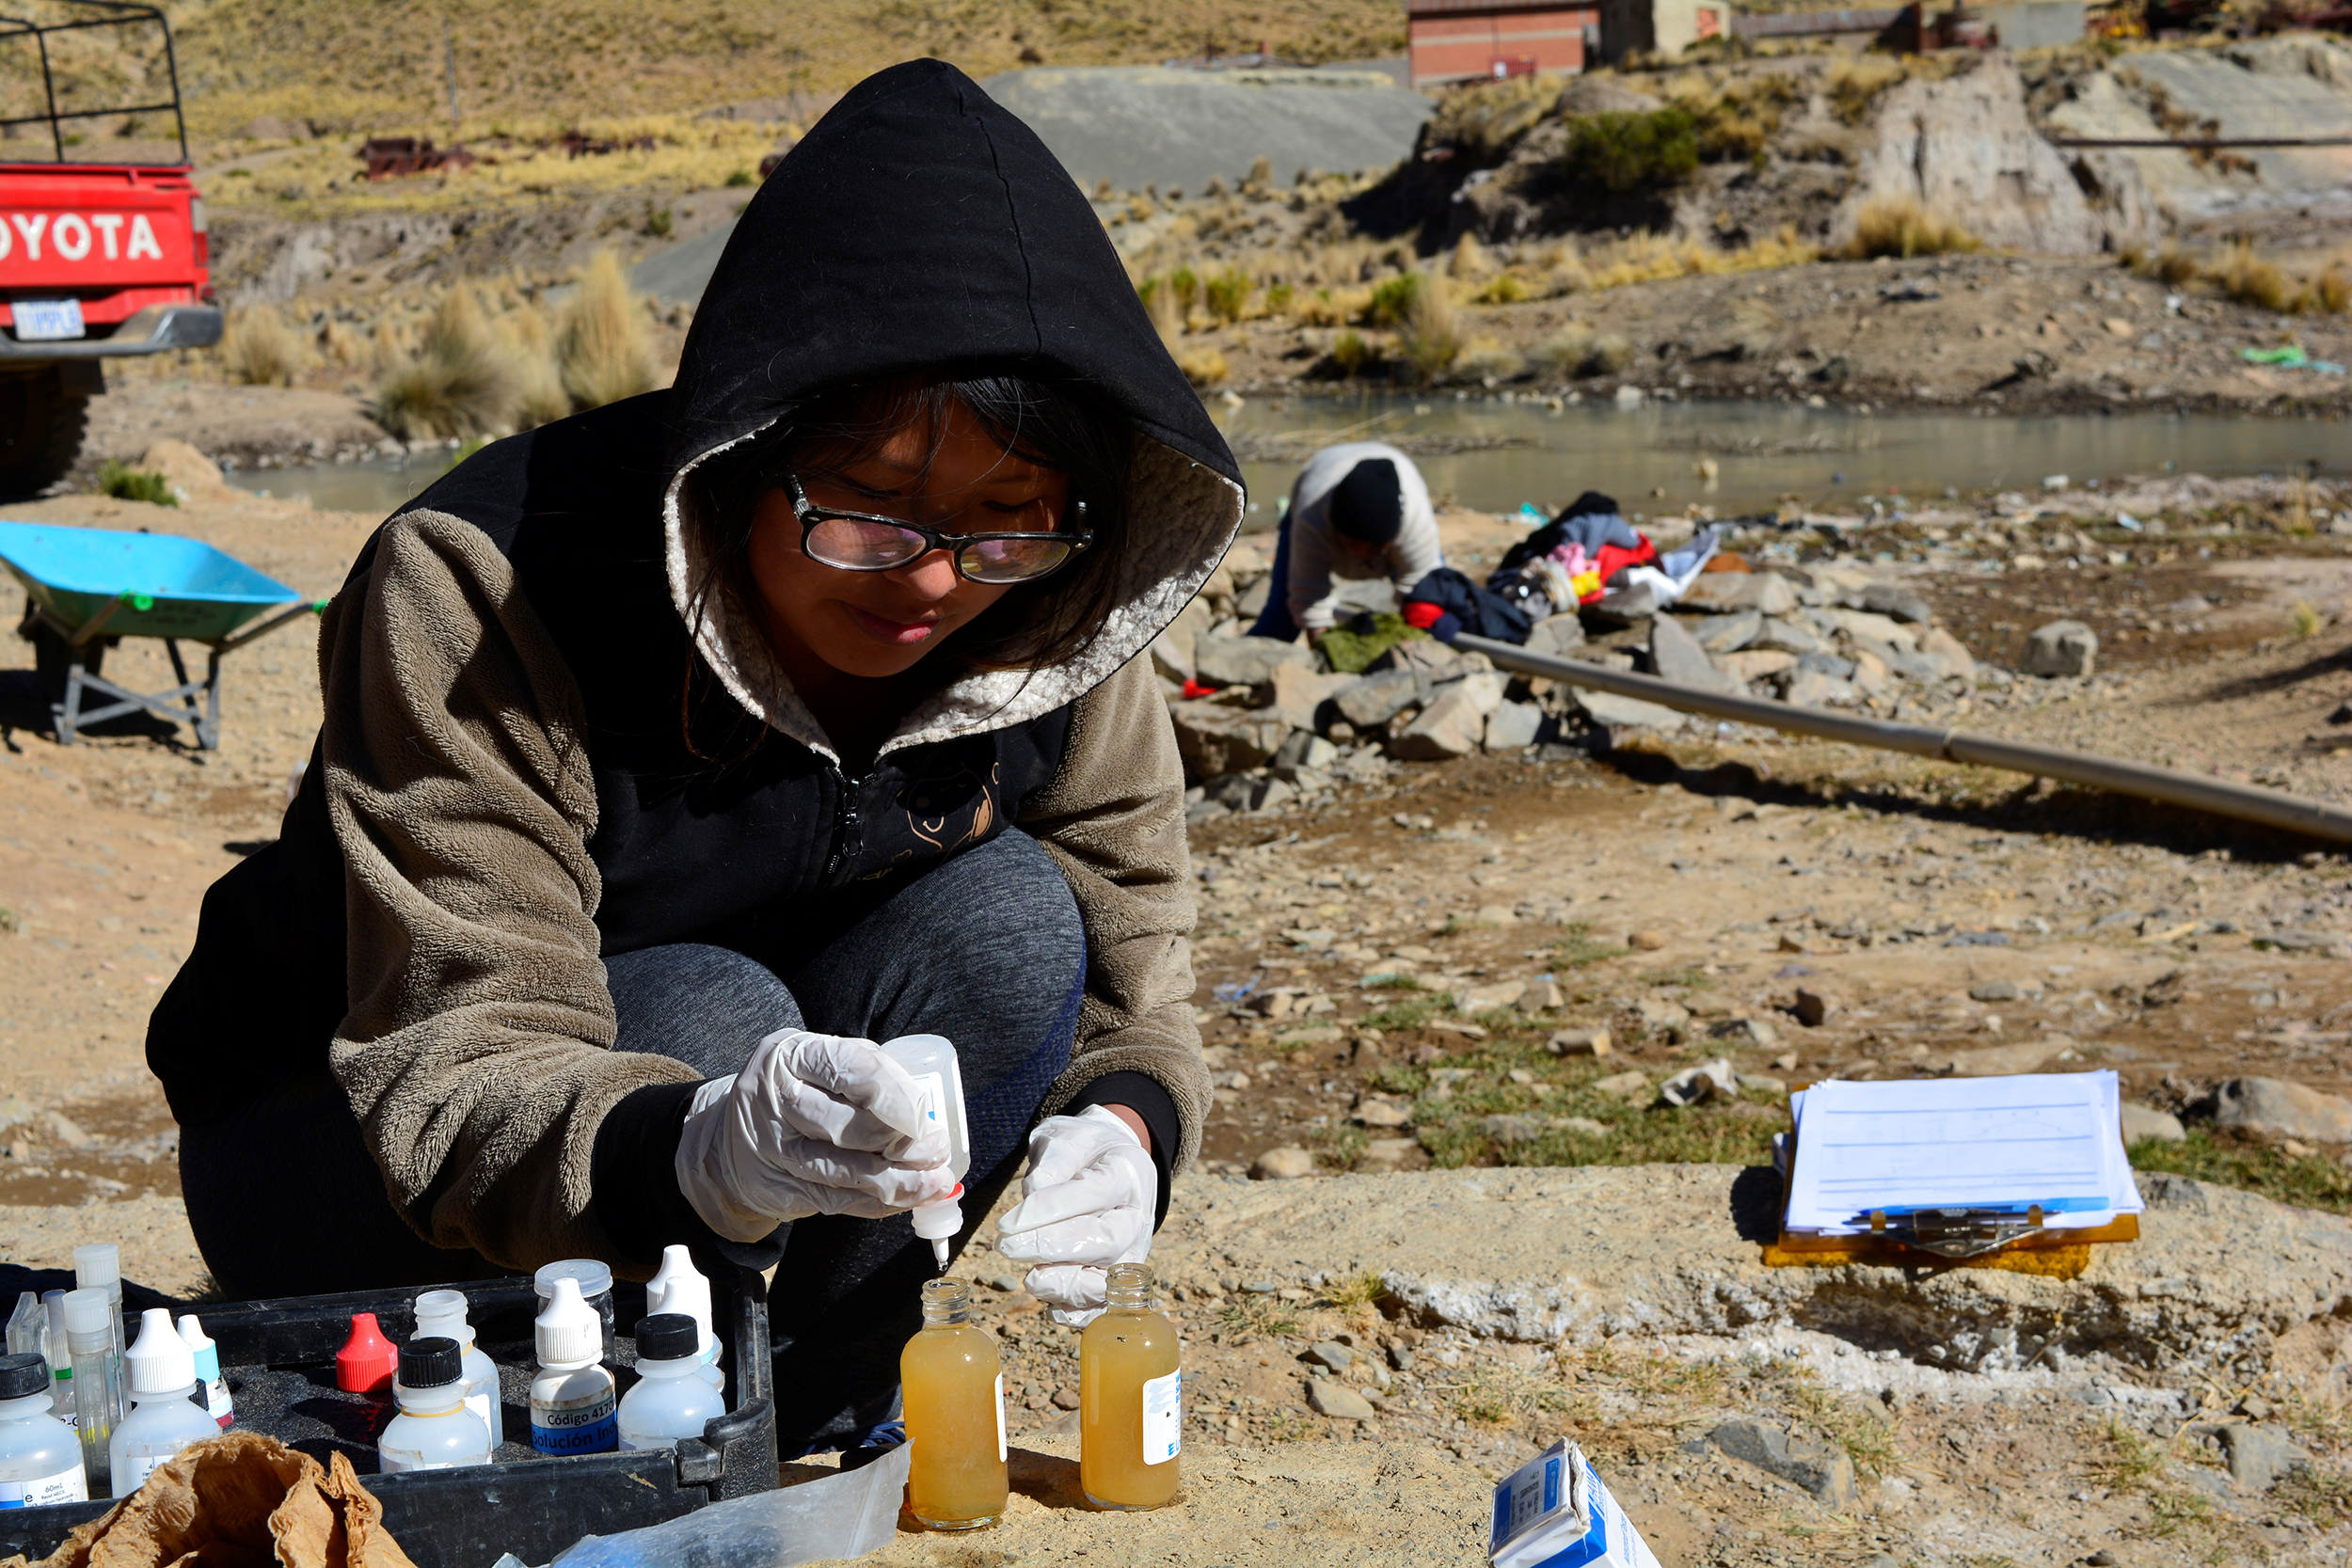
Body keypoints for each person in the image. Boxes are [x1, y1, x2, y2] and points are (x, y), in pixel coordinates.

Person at [144, 59, 1242, 1459]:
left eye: (1007, 515)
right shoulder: (487, 585)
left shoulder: (1048, 602)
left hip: (717, 1086)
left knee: (1012, 919)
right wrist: (698, 1146)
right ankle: (642, 1416)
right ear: (743, 453)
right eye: (867, 508)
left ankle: (809, 1390)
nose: (932, 580)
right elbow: (460, 1053)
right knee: (720, 1008)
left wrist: (1134, 1119)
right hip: (351, 1139)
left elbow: (1129, 954)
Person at [1248, 440, 1442, 643]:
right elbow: (1308, 595)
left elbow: (1421, 593)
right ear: (1335, 531)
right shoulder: (1312, 517)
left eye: (1375, 547)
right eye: (1354, 544)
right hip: (1319, 479)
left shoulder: (1415, 521)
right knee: (1281, 617)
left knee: (1435, 599)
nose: (1364, 555)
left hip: (1403, 515)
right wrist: (1326, 654)